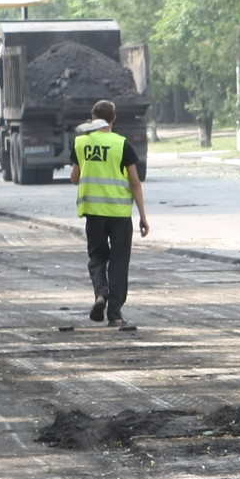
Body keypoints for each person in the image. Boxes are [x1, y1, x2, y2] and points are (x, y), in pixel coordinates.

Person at [71, 99, 150, 329]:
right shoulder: (121, 144)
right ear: (113, 119)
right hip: (119, 213)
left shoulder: (80, 143)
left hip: (93, 213)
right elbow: (135, 182)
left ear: (93, 117)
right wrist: (143, 216)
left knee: (97, 257)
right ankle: (114, 314)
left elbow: (75, 178)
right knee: (119, 260)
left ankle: (100, 294)